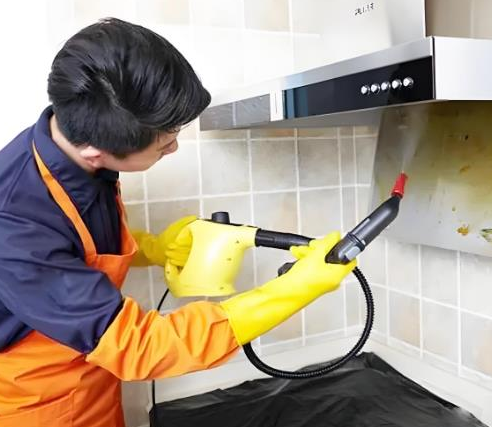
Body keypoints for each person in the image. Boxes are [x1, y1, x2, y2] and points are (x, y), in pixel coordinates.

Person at [0, 18, 355, 427]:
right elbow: (142, 346)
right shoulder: (14, 220)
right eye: (164, 142)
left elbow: (69, 251)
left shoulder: (72, 145)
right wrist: (293, 290)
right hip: (37, 406)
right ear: (97, 151)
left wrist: (152, 248)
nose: (174, 147)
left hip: (94, 381)